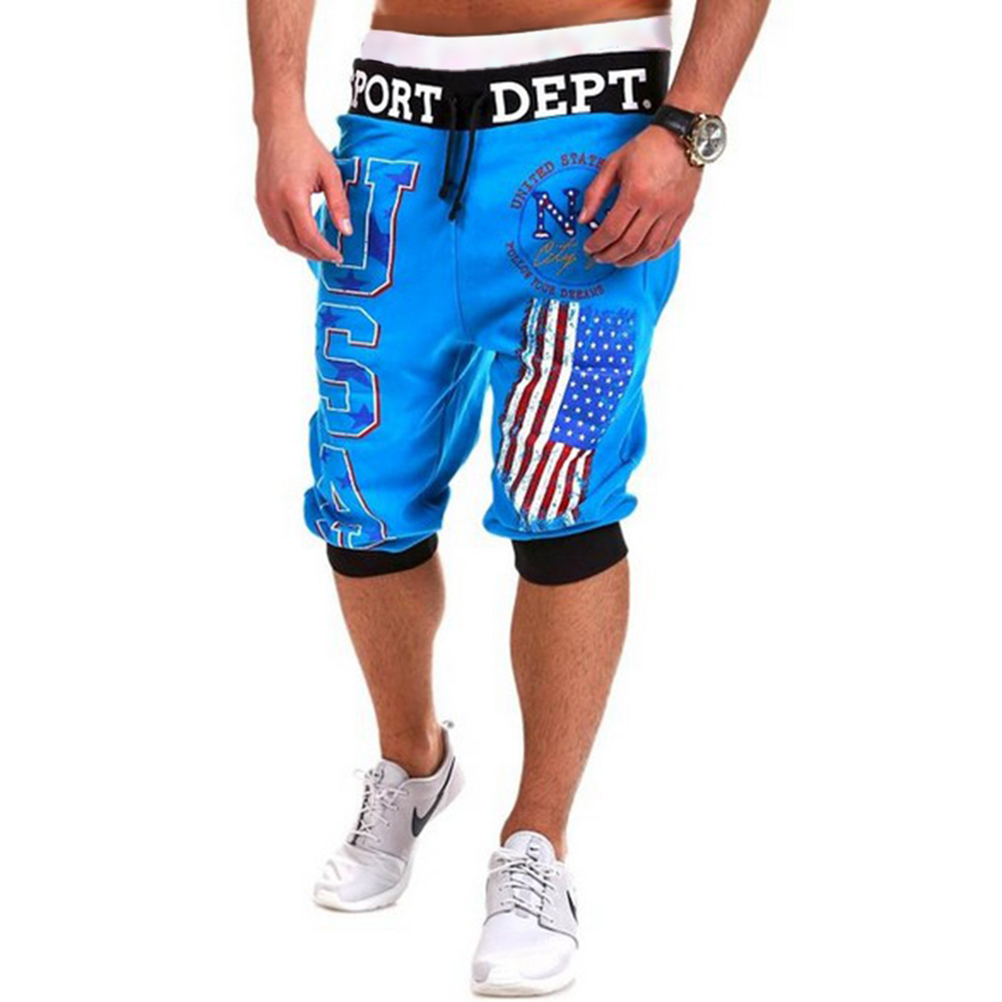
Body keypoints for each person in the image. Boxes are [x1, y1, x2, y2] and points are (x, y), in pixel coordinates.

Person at [248, 0, 769, 994]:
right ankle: (413, 764)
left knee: (563, 499)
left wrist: (690, 120)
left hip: (589, 146)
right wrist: (276, 109)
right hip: (391, 138)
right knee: (362, 497)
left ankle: (537, 841)